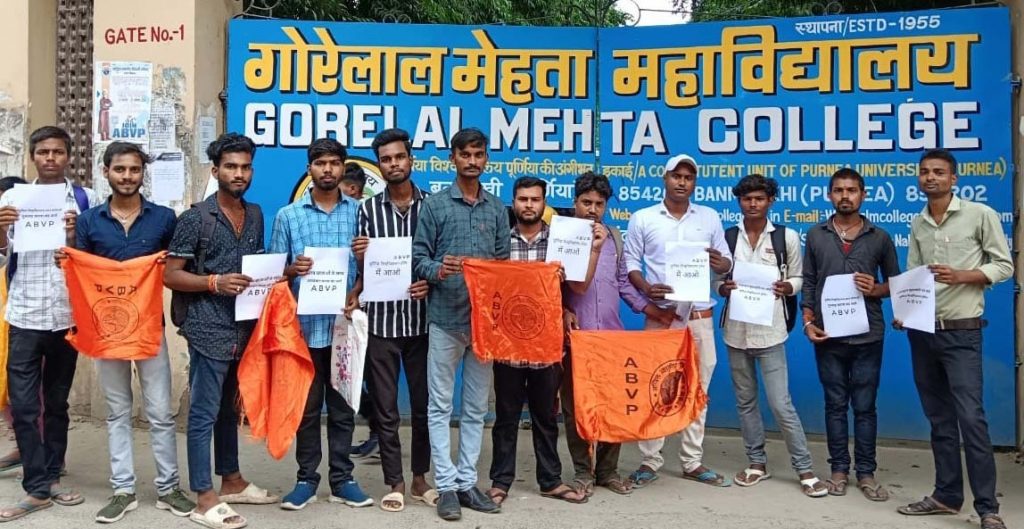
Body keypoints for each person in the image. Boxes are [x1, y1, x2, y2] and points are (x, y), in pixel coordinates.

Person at [67, 142, 195, 522]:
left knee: (160, 412)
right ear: (106, 172)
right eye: (120, 169)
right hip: (107, 332)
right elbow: (83, 272)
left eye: (134, 170)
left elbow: (177, 269)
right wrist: (68, 256)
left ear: (143, 173)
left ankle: (169, 488)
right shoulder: (89, 221)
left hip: (150, 329)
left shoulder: (164, 219)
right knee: (117, 412)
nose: (127, 176)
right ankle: (123, 490)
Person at [164, 133, 276, 529]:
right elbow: (170, 274)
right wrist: (214, 282)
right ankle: (204, 497)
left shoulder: (256, 214)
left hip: (242, 330)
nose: (239, 174)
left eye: (245, 167)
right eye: (231, 167)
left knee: (230, 409)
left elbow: (255, 268)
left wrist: (283, 273)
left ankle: (231, 480)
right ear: (215, 171)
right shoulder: (195, 218)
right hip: (207, 328)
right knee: (203, 413)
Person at [895, 150, 1012, 529]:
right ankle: (946, 496)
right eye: (924, 172)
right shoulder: (918, 222)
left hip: (962, 332)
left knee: (971, 419)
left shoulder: (980, 215)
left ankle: (987, 508)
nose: (930, 177)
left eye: (939, 172)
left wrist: (963, 275)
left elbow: (1004, 265)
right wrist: (905, 310)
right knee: (939, 419)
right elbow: (915, 275)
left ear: (953, 178)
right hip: (923, 332)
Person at [0, 126, 100, 522]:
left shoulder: (85, 199)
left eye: (58, 151)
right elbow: (1, 258)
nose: (51, 158)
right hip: (24, 313)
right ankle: (36, 487)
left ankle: (53, 474)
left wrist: (75, 242)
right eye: (43, 152)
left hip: (66, 315)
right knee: (25, 405)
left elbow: (94, 257)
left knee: (56, 402)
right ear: (32, 157)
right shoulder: (12, 199)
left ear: (69, 156)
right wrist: (1, 230)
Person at [412, 127, 509, 521]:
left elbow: (503, 266)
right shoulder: (435, 206)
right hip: (445, 319)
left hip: (484, 324)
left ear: (486, 159)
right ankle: (446, 487)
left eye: (478, 154)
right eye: (465, 154)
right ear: (452, 158)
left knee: (475, 408)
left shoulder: (496, 208)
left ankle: (468, 482)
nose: (472, 161)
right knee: (439, 406)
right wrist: (439, 269)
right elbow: (418, 259)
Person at [270, 138, 371, 511]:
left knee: (343, 410)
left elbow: (371, 272)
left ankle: (342, 480)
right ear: (309, 168)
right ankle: (306, 480)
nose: (327, 169)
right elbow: (274, 274)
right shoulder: (288, 216)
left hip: (345, 329)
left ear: (343, 167)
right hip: (304, 329)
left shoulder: (361, 213)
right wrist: (291, 270)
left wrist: (357, 288)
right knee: (307, 410)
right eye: (320, 163)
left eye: (334, 162)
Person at [622, 153, 732, 488]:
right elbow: (630, 262)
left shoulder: (709, 217)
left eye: (688, 177)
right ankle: (650, 460)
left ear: (694, 182)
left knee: (698, 389)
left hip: (699, 316)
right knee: (657, 387)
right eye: (676, 176)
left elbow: (726, 261)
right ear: (665, 178)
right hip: (663, 316)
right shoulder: (643, 218)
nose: (682, 182)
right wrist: (645, 288)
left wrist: (721, 264)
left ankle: (692, 460)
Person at [716, 174, 827, 497]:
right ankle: (756, 463)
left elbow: (800, 277)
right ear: (739, 201)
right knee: (745, 402)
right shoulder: (728, 236)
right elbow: (716, 281)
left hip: (770, 332)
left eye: (759, 199)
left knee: (781, 404)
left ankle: (804, 469)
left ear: (770, 201)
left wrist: (787, 286)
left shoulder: (785, 237)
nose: (753, 204)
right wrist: (723, 288)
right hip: (736, 332)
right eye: (747, 198)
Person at [485, 177, 584, 507]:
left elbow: (574, 287)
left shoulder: (560, 243)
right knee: (506, 417)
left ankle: (550, 481)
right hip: (508, 345)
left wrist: (566, 307)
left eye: (535, 199)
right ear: (513, 202)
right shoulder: (500, 242)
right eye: (523, 199)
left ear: (544, 203)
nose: (529, 205)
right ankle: (501, 481)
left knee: (545, 416)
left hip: (546, 344)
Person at [801, 168, 899, 502]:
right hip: (828, 335)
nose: (845, 196)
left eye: (852, 190)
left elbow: (895, 283)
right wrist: (808, 321)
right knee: (835, 405)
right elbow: (809, 281)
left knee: (865, 406)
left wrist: (876, 289)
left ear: (863, 195)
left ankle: (866, 472)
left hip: (868, 335)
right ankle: (839, 470)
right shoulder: (816, 235)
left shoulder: (879, 237)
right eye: (839, 190)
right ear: (830, 195)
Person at [350, 128, 434, 512]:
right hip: (381, 323)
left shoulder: (432, 206)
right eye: (386, 159)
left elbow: (437, 259)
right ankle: (394, 482)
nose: (394, 164)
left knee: (423, 406)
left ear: (410, 159)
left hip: (422, 322)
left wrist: (429, 283)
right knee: (385, 409)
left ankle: (420, 478)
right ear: (379, 165)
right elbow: (366, 271)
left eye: (399, 157)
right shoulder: (367, 210)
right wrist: (361, 257)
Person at [560, 172, 647, 498]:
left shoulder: (614, 237)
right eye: (586, 202)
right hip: (575, 337)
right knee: (576, 408)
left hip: (611, 336)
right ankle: (583, 472)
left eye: (599, 204)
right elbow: (551, 282)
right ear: (575, 202)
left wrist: (650, 309)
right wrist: (561, 309)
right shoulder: (563, 236)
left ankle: (608, 471)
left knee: (614, 404)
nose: (592, 210)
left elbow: (623, 282)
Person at [0, 176, 25, 475]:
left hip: (22, 316)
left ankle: (45, 455)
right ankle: (20, 443)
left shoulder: (28, 227)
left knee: (29, 389)